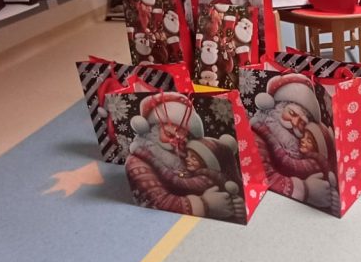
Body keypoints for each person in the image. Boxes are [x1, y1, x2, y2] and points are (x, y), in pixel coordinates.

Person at [125, 93, 245, 222]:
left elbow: (214, 178)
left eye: (181, 140)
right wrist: (204, 204)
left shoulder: (187, 159)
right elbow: (155, 202)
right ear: (153, 130)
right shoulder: (137, 162)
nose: (174, 143)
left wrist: (234, 205)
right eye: (169, 135)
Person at [249, 74, 339, 215]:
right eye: (292, 113)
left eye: (302, 123)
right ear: (277, 107)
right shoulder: (258, 134)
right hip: (267, 209)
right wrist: (305, 189)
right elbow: (262, 177)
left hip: (292, 210)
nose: (295, 123)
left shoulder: (300, 154)